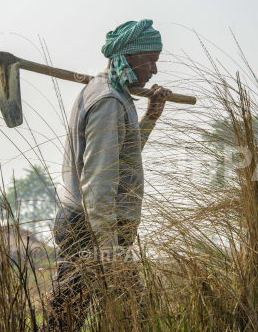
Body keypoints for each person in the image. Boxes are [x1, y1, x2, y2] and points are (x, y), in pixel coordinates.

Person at [41, 19, 171, 331]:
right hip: (93, 228)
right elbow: (98, 181)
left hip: (92, 225)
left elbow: (123, 157)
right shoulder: (109, 100)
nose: (154, 70)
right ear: (129, 57)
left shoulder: (108, 91)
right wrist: (110, 249)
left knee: (77, 318)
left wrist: (151, 114)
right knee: (97, 318)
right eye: (150, 60)